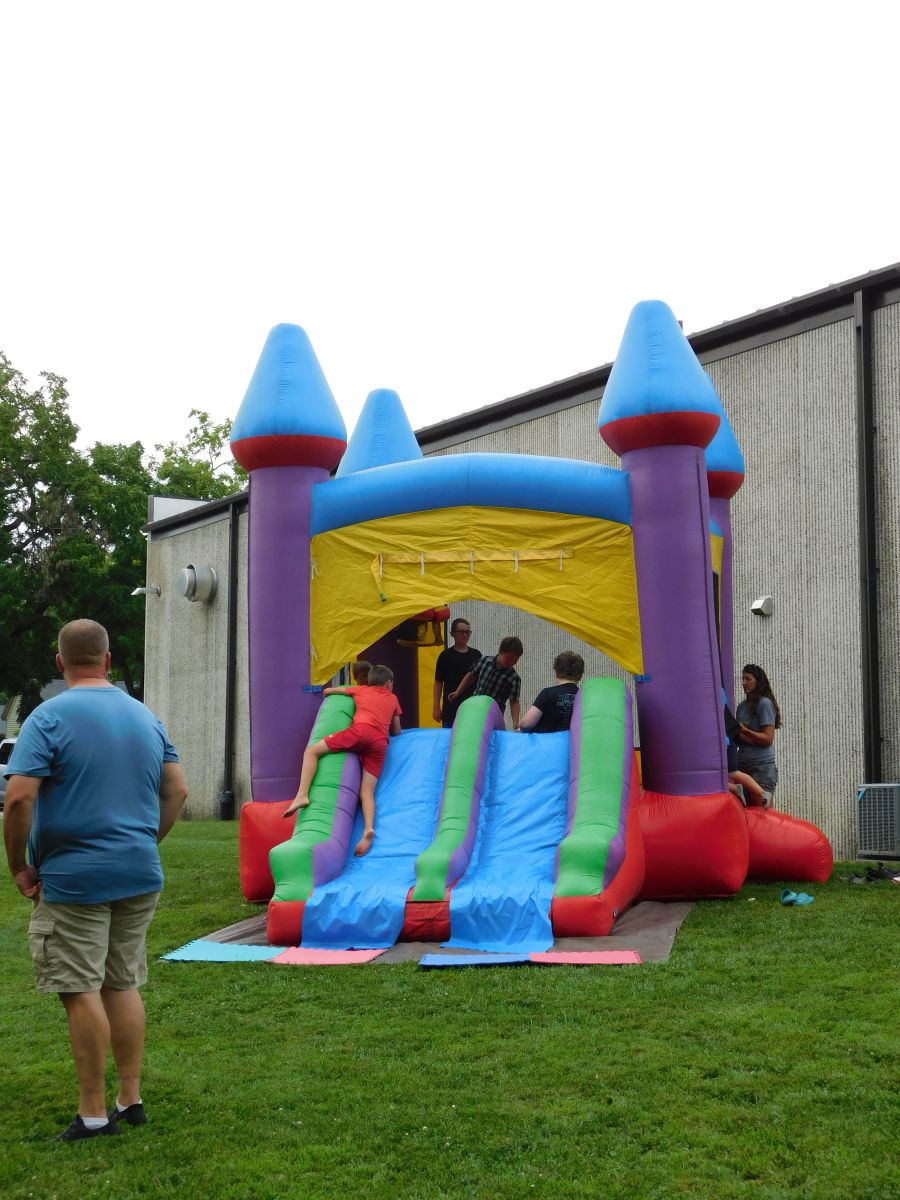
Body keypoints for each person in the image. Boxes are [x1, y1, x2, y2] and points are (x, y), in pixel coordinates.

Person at [2, 619, 187, 1142]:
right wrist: (146, 840)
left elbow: (19, 798)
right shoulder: (146, 716)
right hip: (138, 872)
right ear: (107, 660)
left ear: (60, 663)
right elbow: (177, 790)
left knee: (80, 987)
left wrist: (18, 865)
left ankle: (92, 1113)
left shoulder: (47, 717)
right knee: (120, 982)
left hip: (74, 877)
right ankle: (130, 1098)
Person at [283, 663, 402, 856]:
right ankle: (368, 829)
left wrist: (341, 692)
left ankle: (302, 795)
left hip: (360, 732)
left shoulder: (361, 690)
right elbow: (396, 731)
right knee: (367, 791)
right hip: (380, 742)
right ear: (389, 683)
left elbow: (329, 691)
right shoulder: (393, 698)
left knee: (312, 751)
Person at [448, 636, 523, 730]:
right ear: (501, 651)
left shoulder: (514, 678)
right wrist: (458, 691)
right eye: (509, 658)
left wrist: (515, 722)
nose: (511, 662)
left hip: (493, 715)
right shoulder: (485, 661)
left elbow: (514, 701)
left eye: (515, 660)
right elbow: (471, 675)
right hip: (475, 707)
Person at [735, 663, 781, 803]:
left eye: (748, 679)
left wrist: (745, 731)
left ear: (758, 682)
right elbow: (739, 737)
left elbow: (768, 738)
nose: (744, 683)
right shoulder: (741, 707)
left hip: (761, 767)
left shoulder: (764, 704)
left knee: (760, 811)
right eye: (743, 679)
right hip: (742, 768)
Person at [518, 651, 584, 732]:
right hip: (574, 740)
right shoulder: (585, 697)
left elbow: (526, 724)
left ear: (556, 673)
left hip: (547, 739)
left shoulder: (548, 693)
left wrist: (520, 729)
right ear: (580, 676)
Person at [432, 618, 480, 727]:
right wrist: (436, 706)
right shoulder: (445, 656)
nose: (465, 635)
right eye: (461, 632)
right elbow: (438, 682)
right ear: (452, 633)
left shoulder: (476, 655)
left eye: (467, 632)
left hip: (472, 708)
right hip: (451, 708)